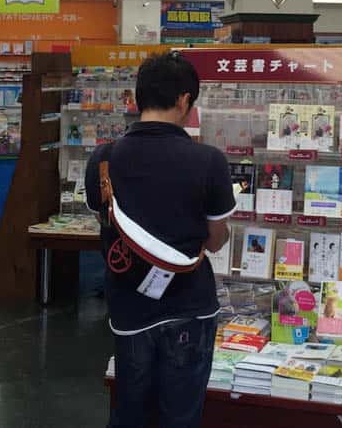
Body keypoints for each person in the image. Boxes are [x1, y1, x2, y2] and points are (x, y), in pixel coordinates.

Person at [86, 53, 233, 428]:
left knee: (130, 409)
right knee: (180, 413)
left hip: (129, 307)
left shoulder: (103, 160)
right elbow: (216, 241)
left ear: (138, 99)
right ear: (185, 100)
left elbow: (105, 222)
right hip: (190, 305)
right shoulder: (208, 161)